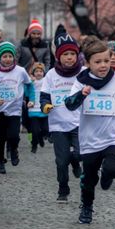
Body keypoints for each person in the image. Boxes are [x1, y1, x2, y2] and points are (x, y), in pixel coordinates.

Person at [65, 37, 115, 224]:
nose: (103, 65)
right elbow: (69, 105)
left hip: (114, 136)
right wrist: (81, 95)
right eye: (98, 62)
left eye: (106, 61)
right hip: (90, 138)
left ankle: (107, 175)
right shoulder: (81, 81)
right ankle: (86, 207)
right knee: (89, 179)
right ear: (87, 63)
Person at [40, 28, 84, 203]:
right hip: (58, 124)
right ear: (58, 56)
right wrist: (45, 106)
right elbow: (44, 96)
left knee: (80, 154)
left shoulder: (84, 72)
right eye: (65, 54)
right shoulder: (51, 75)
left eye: (72, 54)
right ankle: (63, 189)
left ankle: (75, 161)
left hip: (80, 122)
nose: (69, 57)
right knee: (61, 161)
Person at [0, 42, 34, 174]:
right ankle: (0, 161)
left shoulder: (20, 71)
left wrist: (31, 99)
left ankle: (14, 150)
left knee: (13, 135)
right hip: (0, 110)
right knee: (0, 138)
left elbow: (29, 85)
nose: (8, 59)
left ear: (14, 57)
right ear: (0, 58)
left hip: (15, 110)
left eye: (10, 56)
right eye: (4, 56)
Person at [26, 62, 49, 153]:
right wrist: (29, 82)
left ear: (44, 73)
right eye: (36, 71)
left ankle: (41, 137)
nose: (39, 73)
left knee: (46, 129)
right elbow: (26, 92)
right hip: (33, 109)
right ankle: (34, 145)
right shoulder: (31, 81)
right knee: (34, 130)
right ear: (33, 73)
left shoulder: (46, 81)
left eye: (41, 71)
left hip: (44, 108)